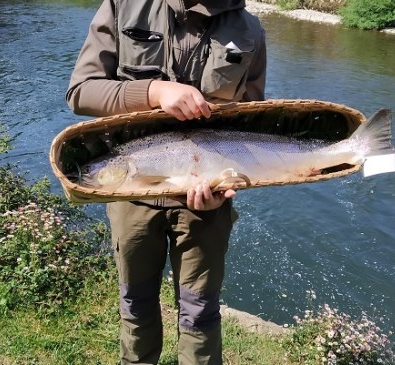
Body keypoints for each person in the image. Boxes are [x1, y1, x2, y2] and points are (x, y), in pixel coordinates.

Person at [66, 0, 266, 363]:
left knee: (200, 312)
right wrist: (153, 92)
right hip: (131, 199)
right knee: (136, 305)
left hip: (207, 208)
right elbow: (81, 92)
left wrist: (221, 187)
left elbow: (249, 121)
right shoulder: (121, 7)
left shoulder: (249, 29)